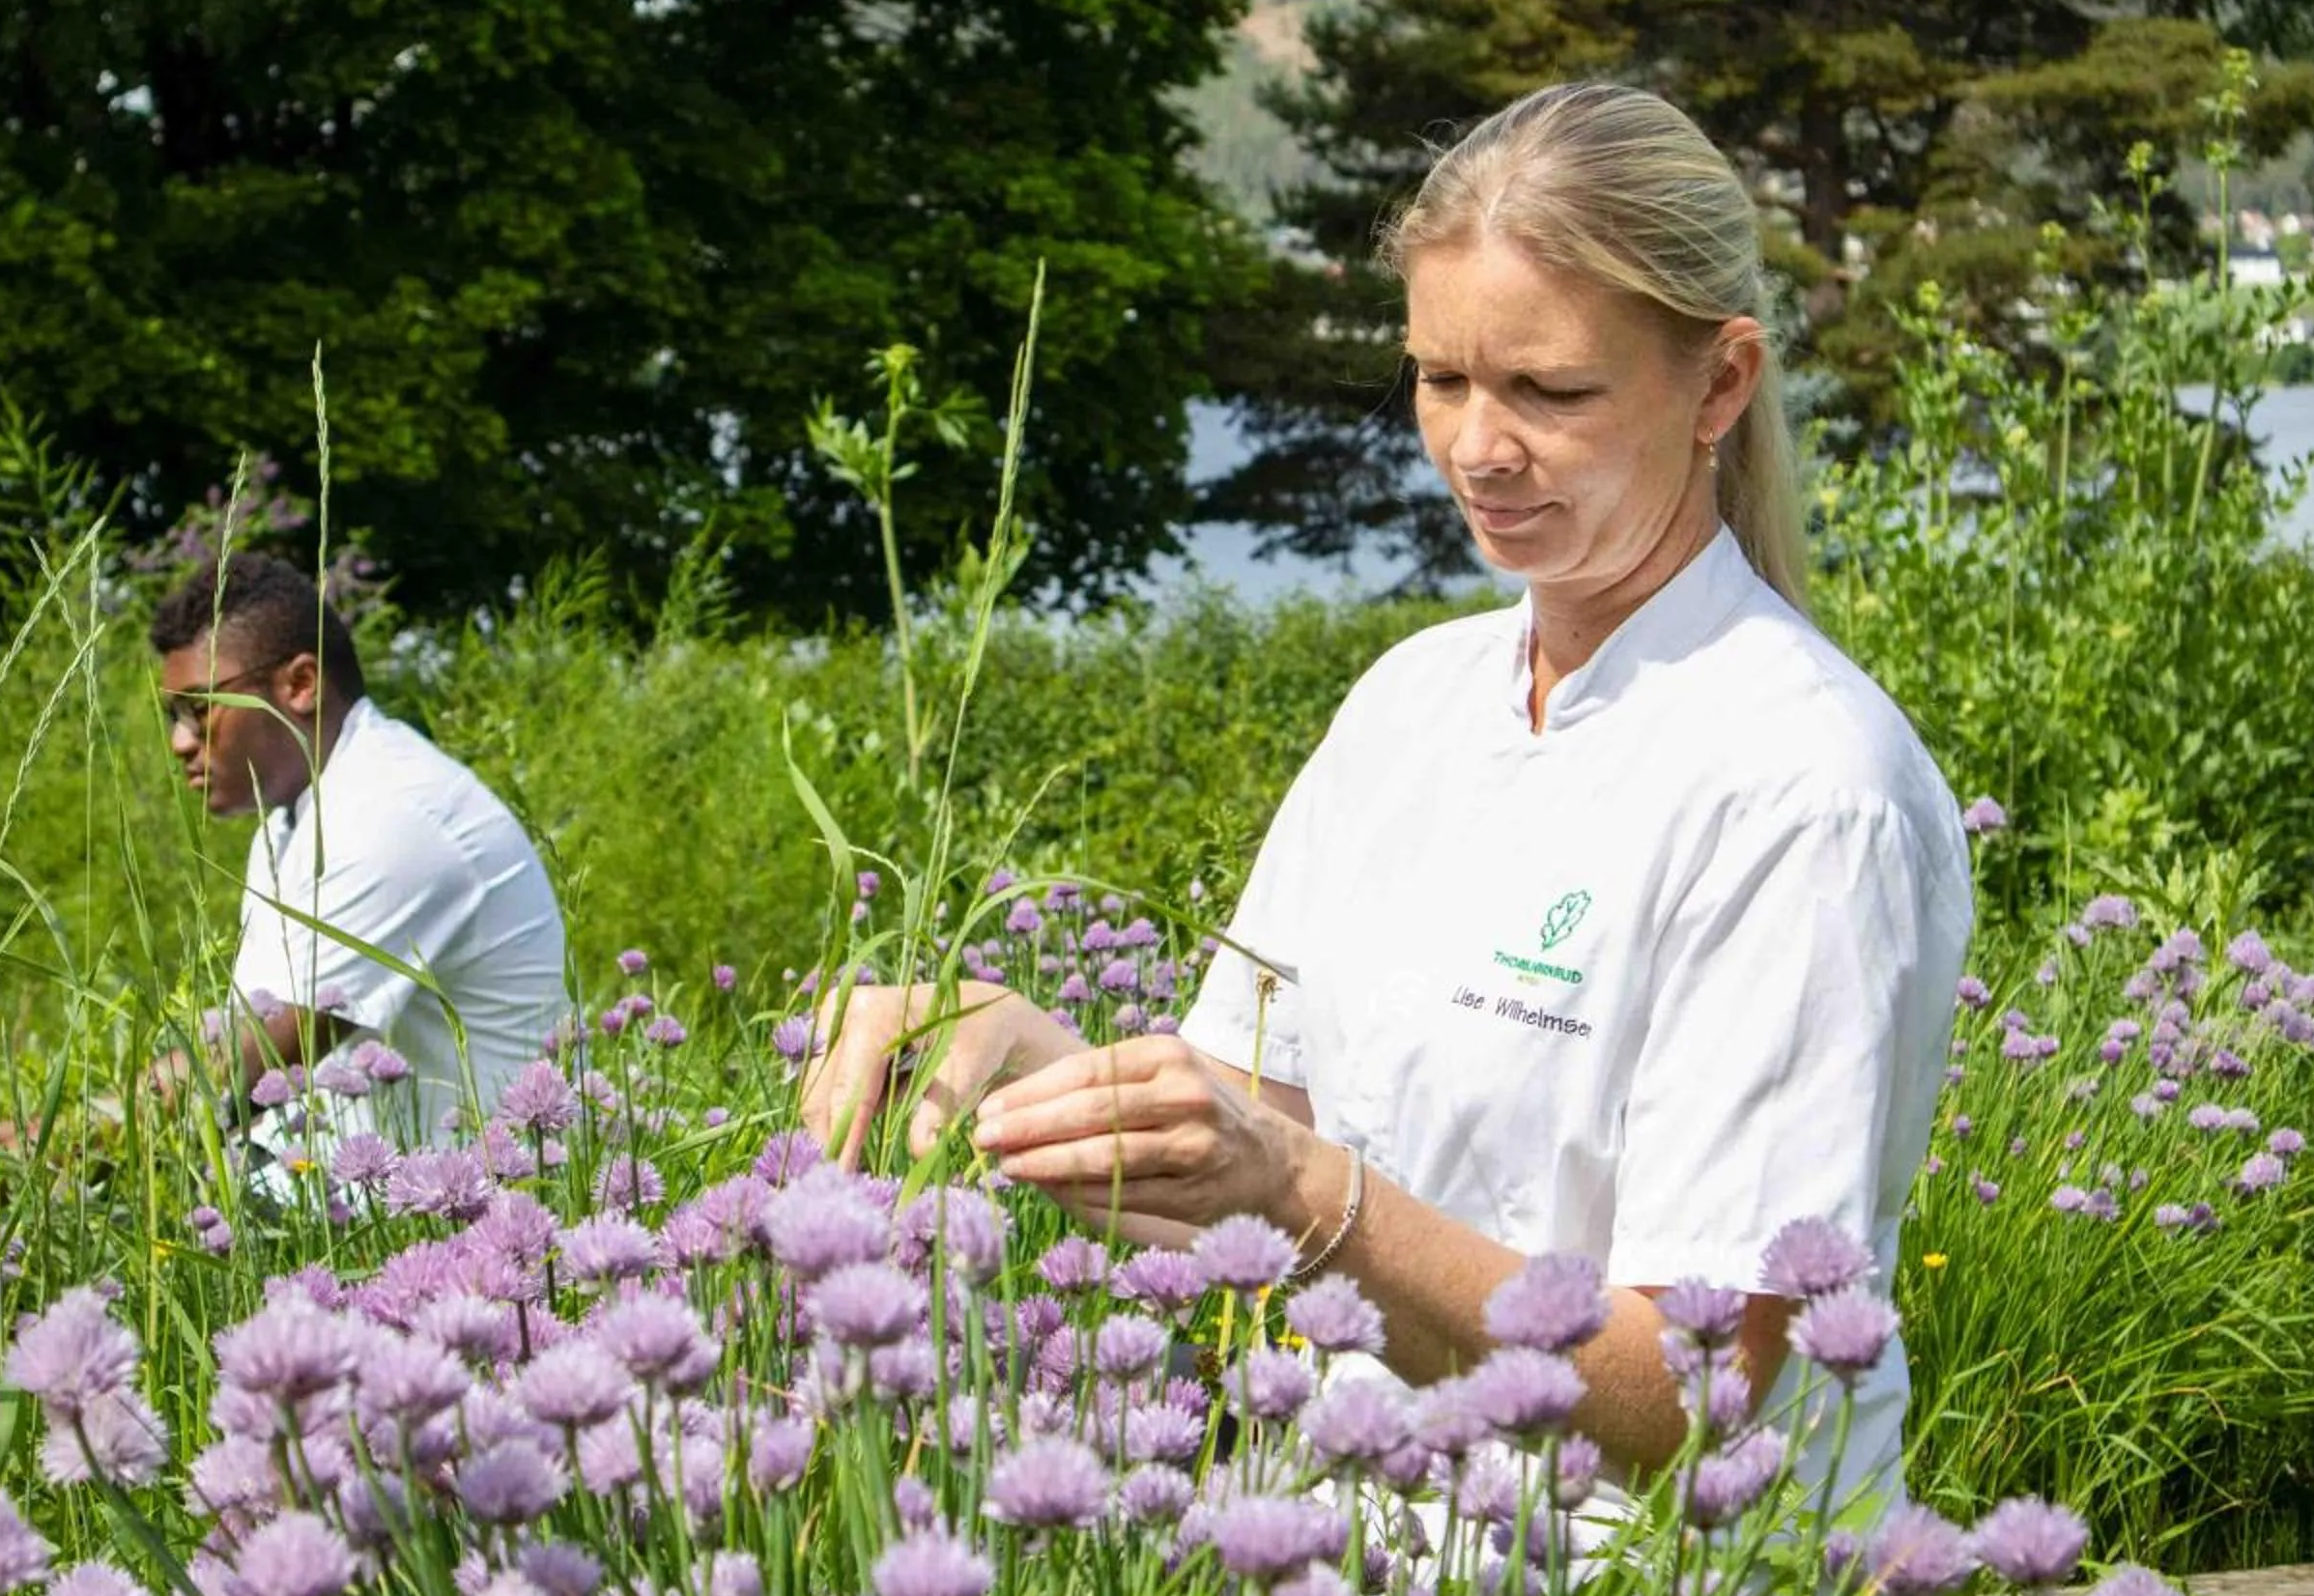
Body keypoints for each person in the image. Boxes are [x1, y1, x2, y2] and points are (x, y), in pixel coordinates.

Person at [801, 81, 1974, 1514]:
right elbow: (1243, 1130)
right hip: (1345, 1568)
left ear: (1720, 385)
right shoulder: (1410, 705)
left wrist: (1309, 1199)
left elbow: (1693, 1393)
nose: (1479, 447)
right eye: (1443, 379)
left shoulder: (1803, 790)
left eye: (1549, 391)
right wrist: (1023, 1060)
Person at [144, 553, 570, 1148]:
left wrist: (16, 1157)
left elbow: (239, 1072)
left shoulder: (394, 815)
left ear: (300, 684)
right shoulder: (292, 819)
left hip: (458, 1216)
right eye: (172, 715)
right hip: (338, 1205)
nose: (180, 742)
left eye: (198, 707)